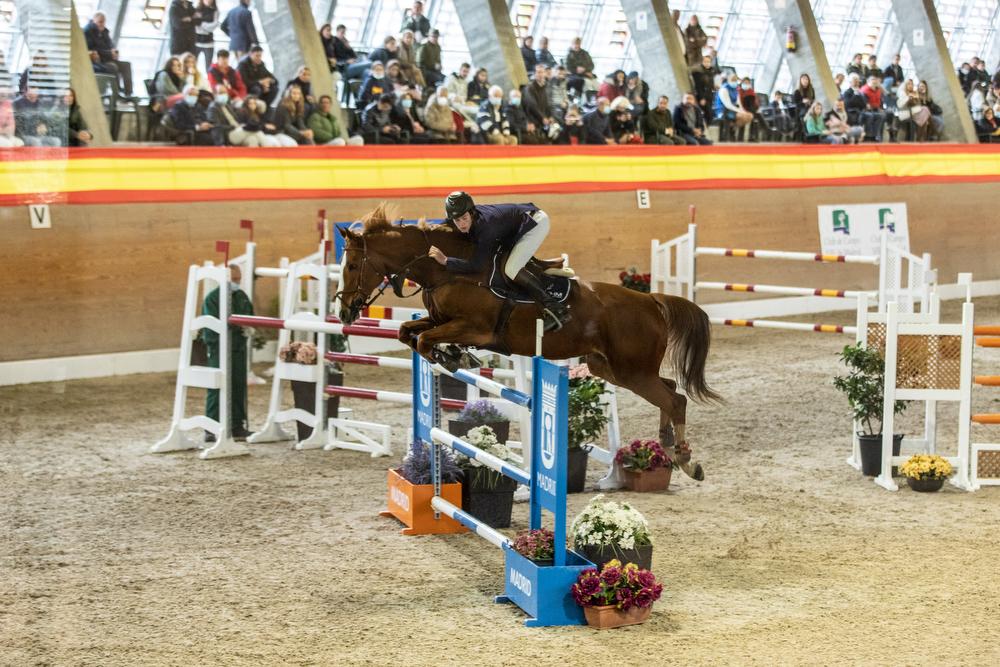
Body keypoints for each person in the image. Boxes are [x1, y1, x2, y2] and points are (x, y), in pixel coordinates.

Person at [428, 193, 570, 331]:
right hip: (518, 225)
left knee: (512, 269)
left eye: (464, 218)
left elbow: (478, 265)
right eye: (457, 220)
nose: (462, 224)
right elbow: (446, 224)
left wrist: (446, 261)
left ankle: (555, 307)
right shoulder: (467, 216)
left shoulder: (486, 228)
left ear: (471, 212)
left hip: (535, 223)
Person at [202, 264, 254, 442]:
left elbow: (250, 315)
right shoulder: (213, 298)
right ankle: (211, 427)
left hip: (238, 347)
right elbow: (212, 324)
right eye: (234, 279)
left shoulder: (241, 296)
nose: (237, 282)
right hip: (218, 346)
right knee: (217, 386)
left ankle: (237, 425)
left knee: (239, 385)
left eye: (238, 279)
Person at [84, 12, 133, 97]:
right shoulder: (88, 31)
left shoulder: (104, 31)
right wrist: (109, 53)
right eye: (100, 22)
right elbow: (94, 50)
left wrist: (114, 51)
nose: (102, 24)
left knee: (126, 65)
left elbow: (110, 44)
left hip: (107, 58)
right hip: (98, 61)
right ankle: (116, 92)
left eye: (103, 22)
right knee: (112, 66)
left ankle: (128, 93)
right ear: (93, 21)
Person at [523, 64, 561, 143]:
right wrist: (542, 117)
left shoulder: (546, 88)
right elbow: (532, 105)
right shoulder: (529, 88)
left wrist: (551, 116)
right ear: (534, 74)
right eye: (538, 72)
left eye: (542, 72)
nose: (540, 74)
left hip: (545, 120)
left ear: (545, 74)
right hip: (534, 120)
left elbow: (550, 104)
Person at [714, 72, 751, 140]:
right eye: (733, 80)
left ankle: (733, 127)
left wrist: (743, 111)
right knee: (742, 116)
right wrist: (740, 112)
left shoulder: (736, 89)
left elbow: (738, 103)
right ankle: (732, 129)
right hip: (722, 110)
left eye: (736, 80)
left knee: (749, 116)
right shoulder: (724, 89)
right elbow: (728, 105)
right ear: (728, 80)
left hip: (733, 109)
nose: (735, 82)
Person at [689, 54, 718, 120]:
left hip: (710, 96)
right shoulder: (698, 72)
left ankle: (705, 128)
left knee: (709, 115)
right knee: (708, 115)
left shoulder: (711, 71)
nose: (707, 63)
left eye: (708, 62)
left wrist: (714, 86)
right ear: (702, 62)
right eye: (705, 61)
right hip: (702, 97)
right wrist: (702, 98)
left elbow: (710, 84)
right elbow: (698, 86)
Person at [859, 75, 887, 141]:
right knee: (871, 116)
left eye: (875, 82)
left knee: (882, 116)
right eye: (873, 82)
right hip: (866, 109)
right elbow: (866, 104)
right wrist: (875, 106)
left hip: (875, 108)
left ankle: (877, 135)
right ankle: (869, 135)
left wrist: (880, 108)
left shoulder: (878, 90)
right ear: (868, 82)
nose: (874, 83)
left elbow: (880, 101)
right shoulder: (864, 90)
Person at [193, 0, 220, 69]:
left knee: (208, 67)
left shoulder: (215, 11)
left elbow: (214, 26)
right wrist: (207, 27)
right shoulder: (196, 10)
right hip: (196, 41)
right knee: (192, 65)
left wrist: (201, 24)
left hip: (209, 43)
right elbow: (195, 24)